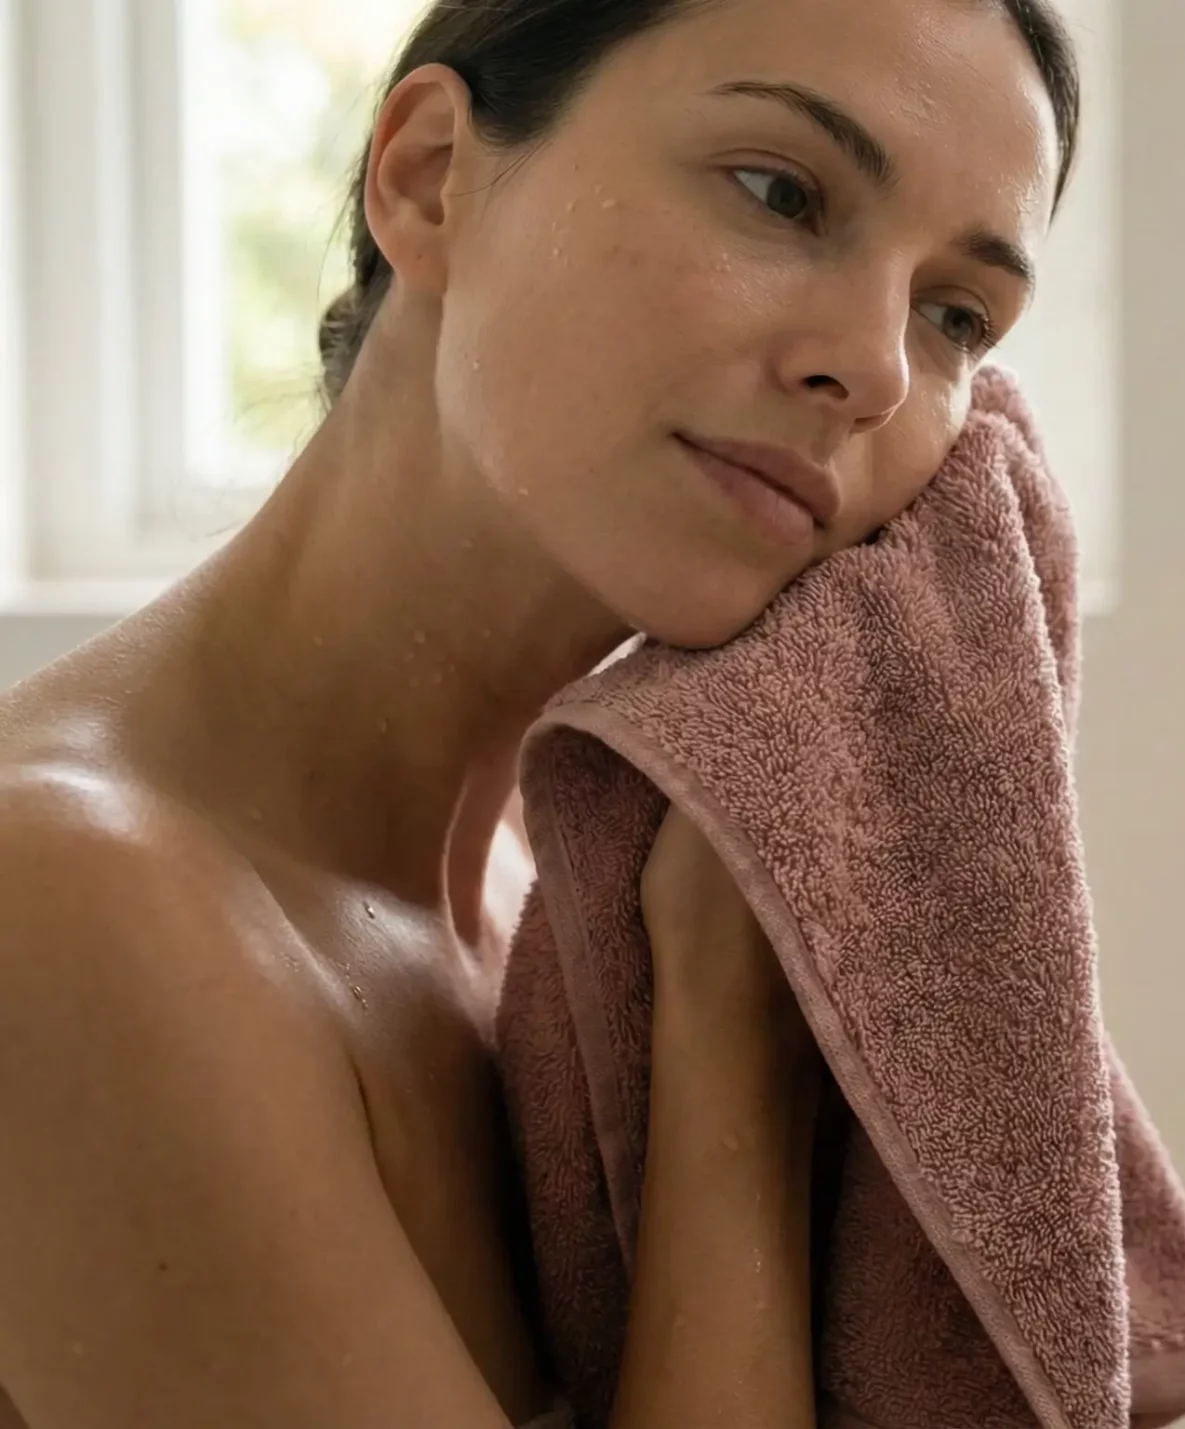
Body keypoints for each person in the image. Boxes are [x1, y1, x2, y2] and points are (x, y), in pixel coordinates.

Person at [0, 0, 1076, 1422]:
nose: (874, 368)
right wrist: (729, 1068)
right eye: (781, 191)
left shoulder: (548, 893)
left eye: (957, 317)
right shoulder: (65, 904)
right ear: (430, 177)